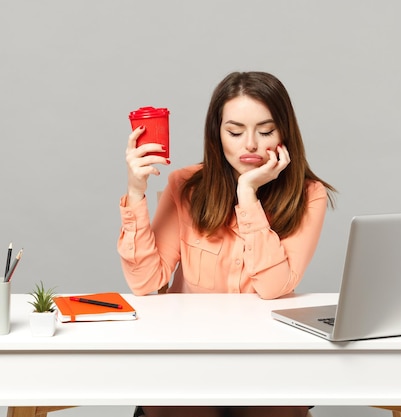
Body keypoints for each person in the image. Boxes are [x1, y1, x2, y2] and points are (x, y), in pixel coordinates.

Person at [118, 71, 336, 417]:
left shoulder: (309, 194)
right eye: (235, 131)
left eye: (265, 131)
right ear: (217, 135)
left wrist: (247, 195)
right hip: (188, 354)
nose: (250, 144)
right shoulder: (185, 185)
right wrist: (135, 192)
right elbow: (145, 282)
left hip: (268, 357)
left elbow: (272, 286)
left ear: (284, 134)